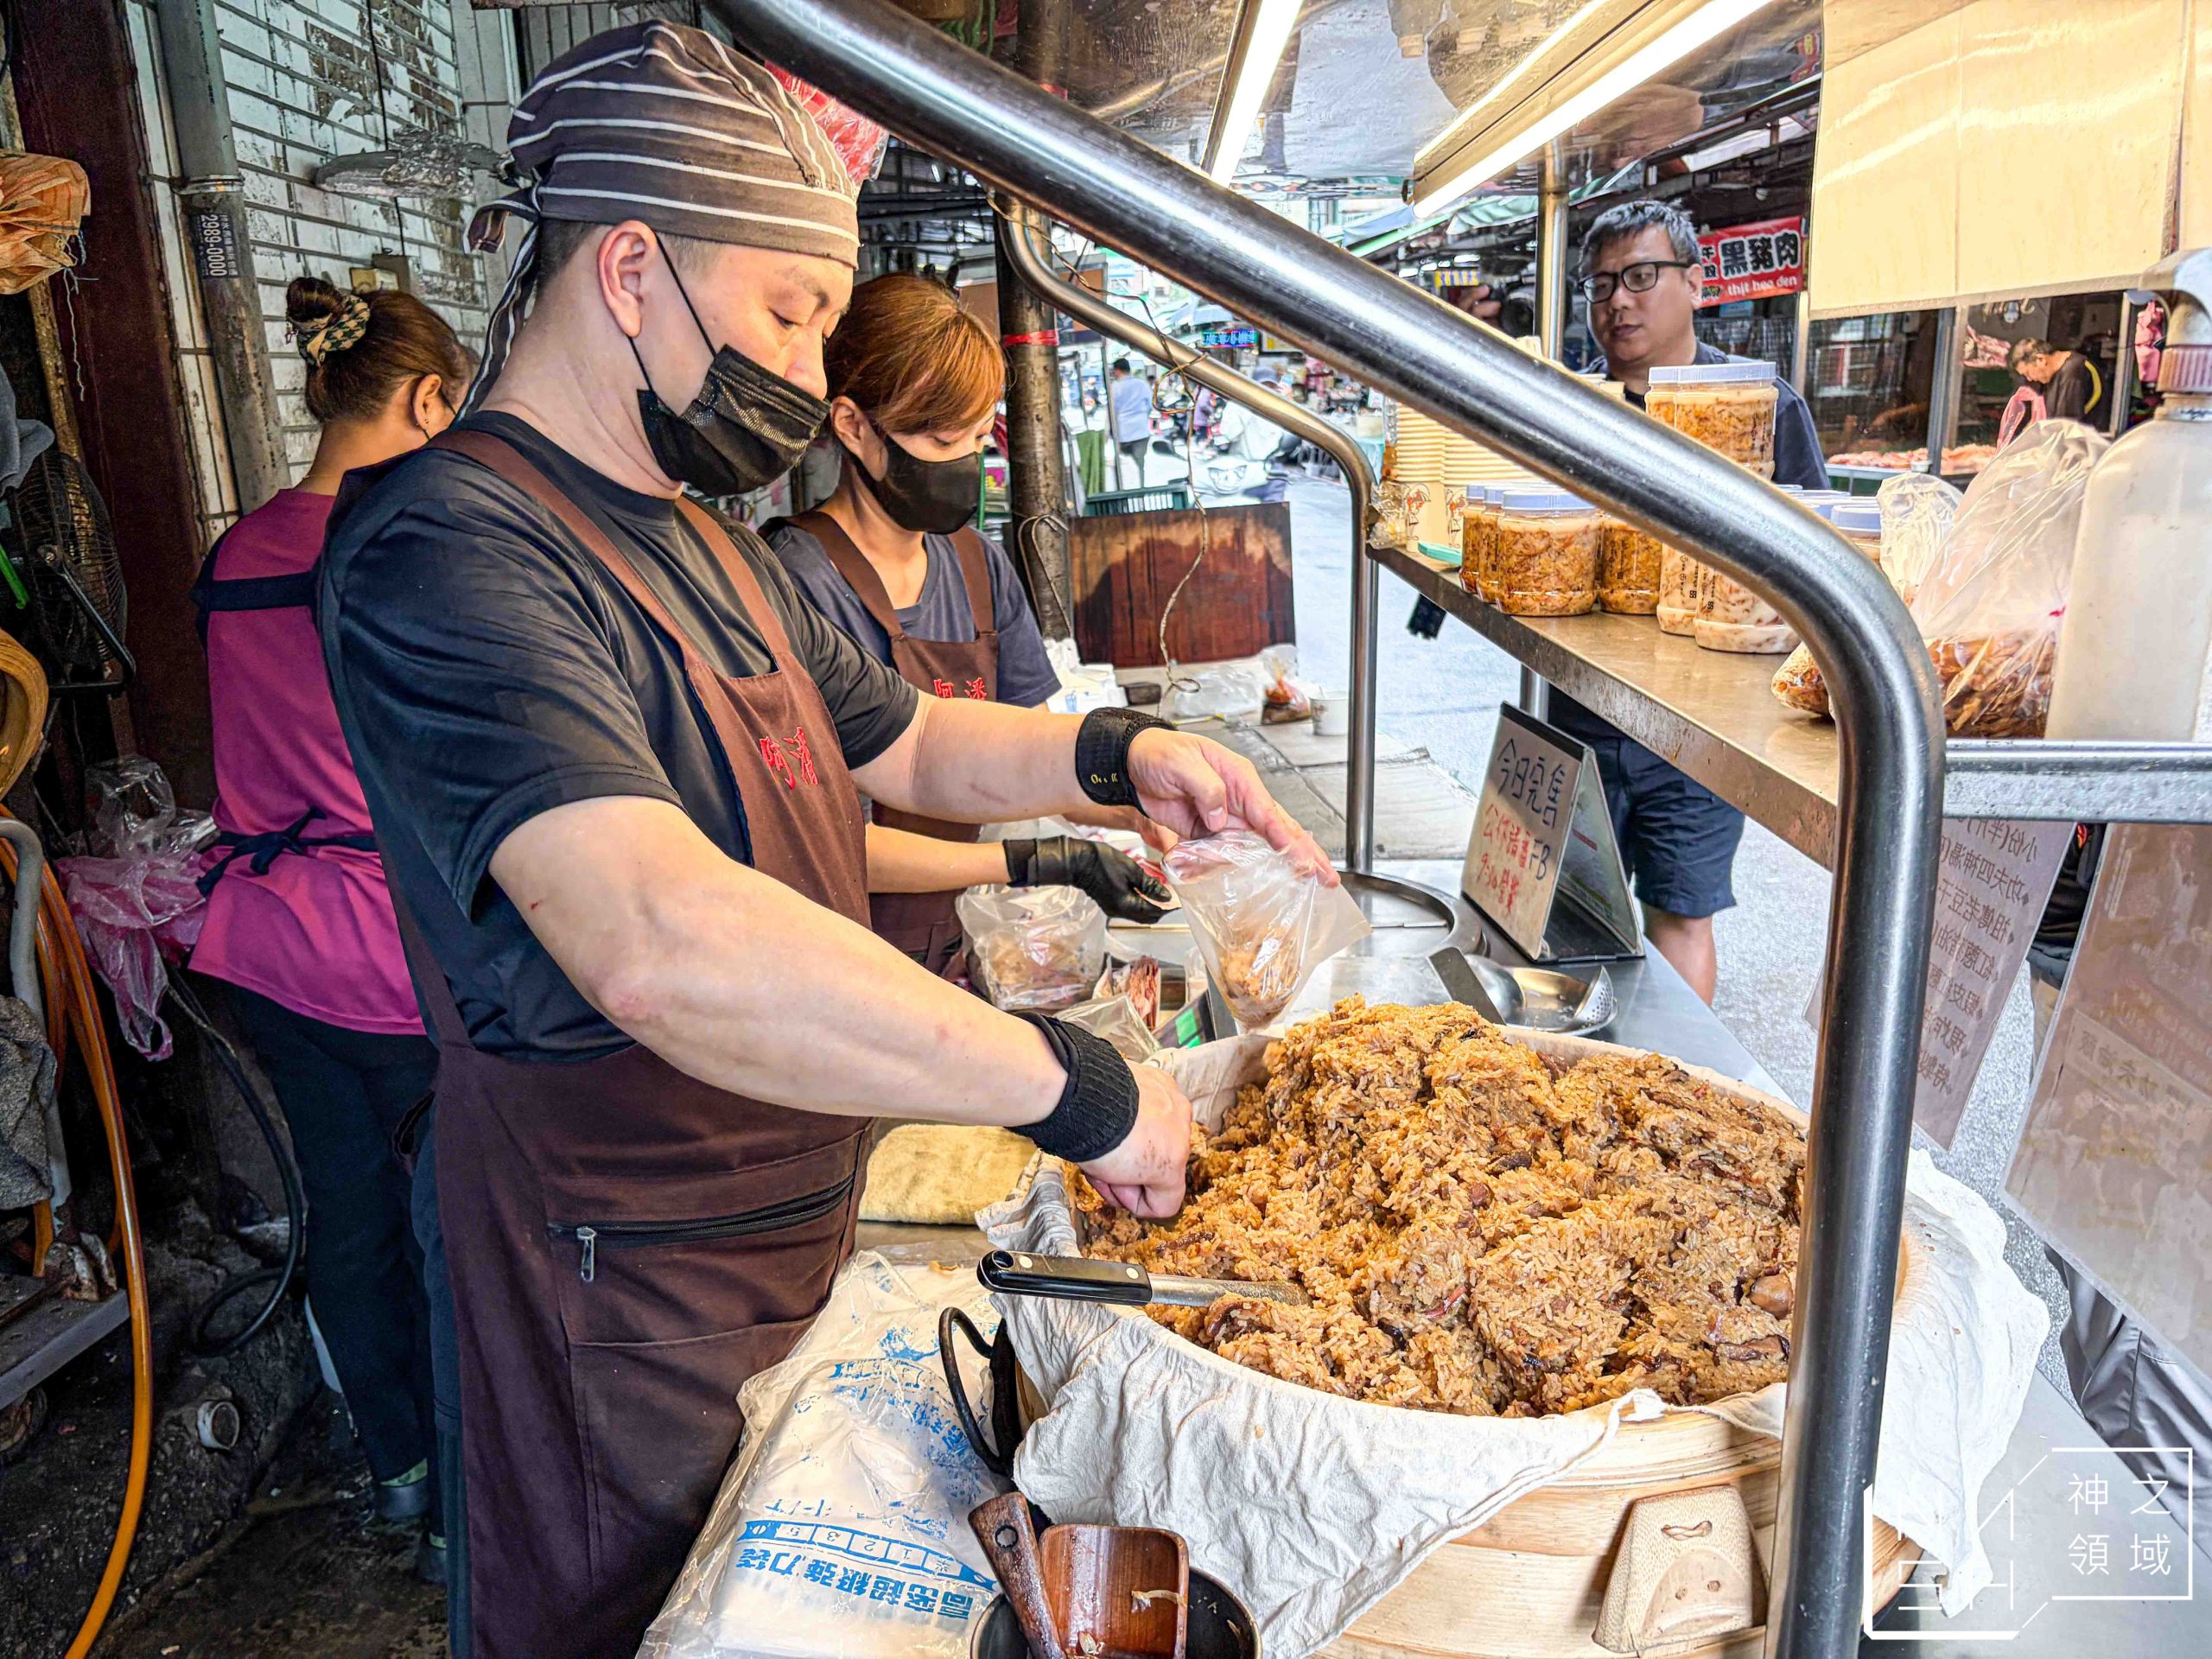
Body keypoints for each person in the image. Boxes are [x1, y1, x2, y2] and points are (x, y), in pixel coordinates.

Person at [315, 25, 1325, 1659]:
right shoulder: (451, 548)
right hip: (615, 1278)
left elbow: (908, 736)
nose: (805, 369)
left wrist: (1124, 755)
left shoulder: (712, 538)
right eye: (787, 311)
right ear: (631, 267)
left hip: (801, 1209)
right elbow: (656, 936)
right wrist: (1071, 1081)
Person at [189, 276, 470, 1587]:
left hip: (266, 947)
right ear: (425, 398)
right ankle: (476, 1507)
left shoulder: (233, 552)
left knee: (347, 1226)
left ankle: (401, 1480)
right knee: (452, 1231)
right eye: (452, 411)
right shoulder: (406, 543)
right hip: (390, 952)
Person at [1449, 200, 1825, 1001]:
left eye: (1641, 278)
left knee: (1680, 915)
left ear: (1695, 284)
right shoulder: (1571, 412)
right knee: (1550, 913)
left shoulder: (1759, 410)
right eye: (1601, 284)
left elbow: (1818, 564)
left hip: (1700, 730)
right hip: (1577, 714)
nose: (1618, 301)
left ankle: (1678, 1079)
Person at [765, 273, 1169, 972]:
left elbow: (1027, 757)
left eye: (981, 436)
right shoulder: (793, 583)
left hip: (955, 946)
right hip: (835, 963)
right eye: (946, 438)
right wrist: (1032, 860)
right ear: (853, 424)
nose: (967, 463)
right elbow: (818, 843)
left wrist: (1133, 801)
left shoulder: (977, 566)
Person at [2006, 335, 2104, 430]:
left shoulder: (2073, 371)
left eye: (2028, 373)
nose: (2030, 379)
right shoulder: (2050, 377)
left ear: (2041, 360)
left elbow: (2066, 424)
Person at [1109, 354, 1153, 486]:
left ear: (1117, 370)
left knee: (1125, 466)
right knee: (1140, 465)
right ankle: (1141, 491)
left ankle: (1128, 491)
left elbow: (1112, 410)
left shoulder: (1115, 387)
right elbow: (1150, 405)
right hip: (1141, 430)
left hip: (1123, 433)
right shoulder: (1142, 384)